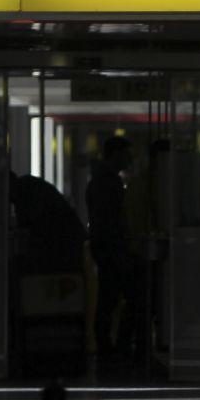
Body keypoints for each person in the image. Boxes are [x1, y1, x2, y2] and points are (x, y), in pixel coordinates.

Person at [86, 135, 137, 360]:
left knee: (110, 298)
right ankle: (113, 347)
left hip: (105, 247)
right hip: (111, 248)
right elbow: (113, 219)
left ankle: (108, 345)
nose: (130, 159)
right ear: (116, 154)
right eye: (127, 154)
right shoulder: (108, 182)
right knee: (118, 297)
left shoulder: (100, 180)